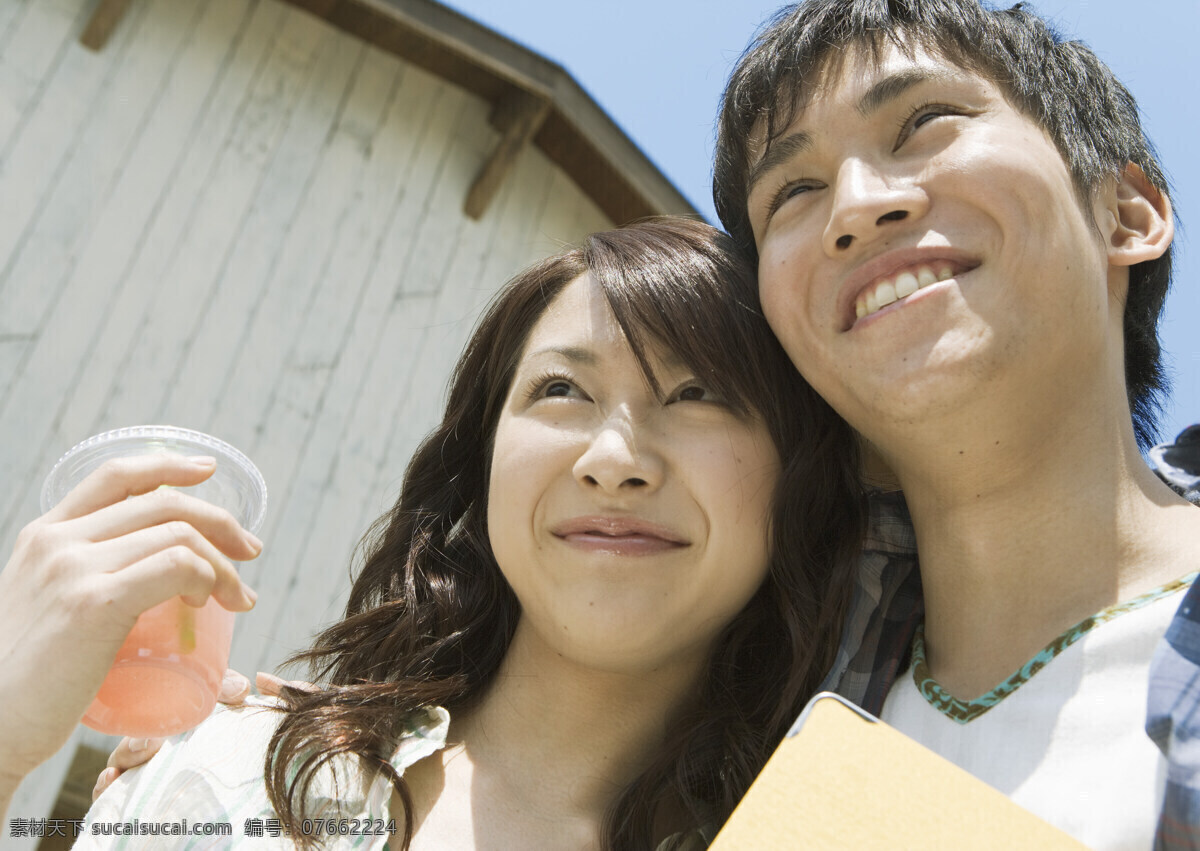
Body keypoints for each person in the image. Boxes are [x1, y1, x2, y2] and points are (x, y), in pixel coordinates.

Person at [5, 218, 868, 849]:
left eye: (698, 396)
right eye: (562, 390)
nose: (615, 458)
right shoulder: (228, 776)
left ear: (801, 485)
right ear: (485, 461)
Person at [711, 0, 1200, 846]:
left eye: (926, 120)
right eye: (793, 191)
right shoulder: (737, 725)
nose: (856, 207)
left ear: (1126, 215)